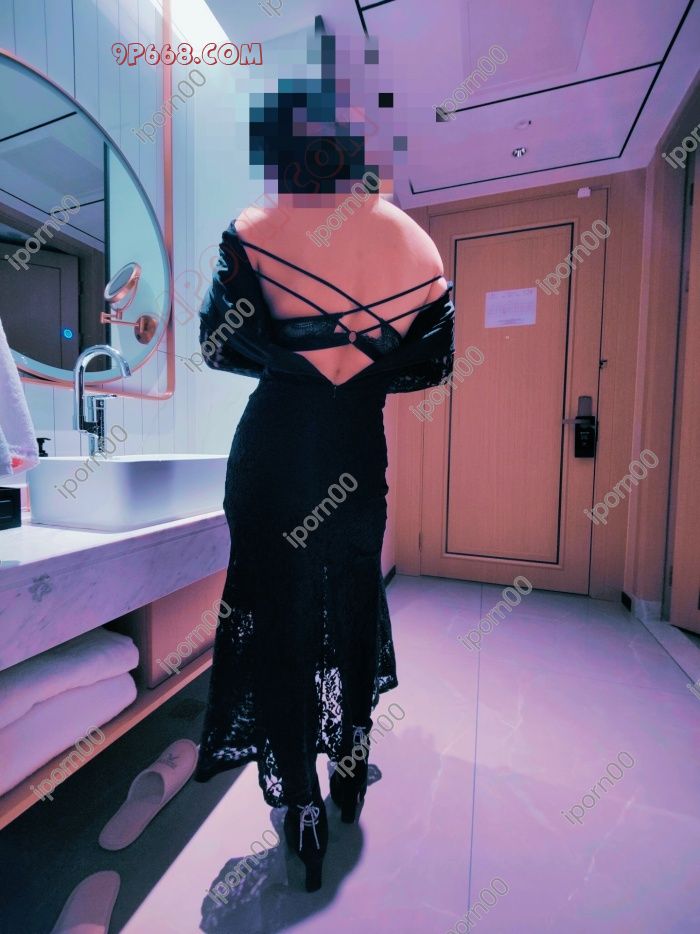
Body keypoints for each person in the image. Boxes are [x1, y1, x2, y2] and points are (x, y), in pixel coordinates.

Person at [194, 26, 455, 893]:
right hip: (356, 461)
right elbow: (432, 365)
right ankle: (348, 770)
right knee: (349, 610)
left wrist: (293, 359)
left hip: (272, 458)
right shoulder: (418, 248)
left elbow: (217, 346)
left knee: (279, 625)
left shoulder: (253, 227)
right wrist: (357, 370)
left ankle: (299, 807)